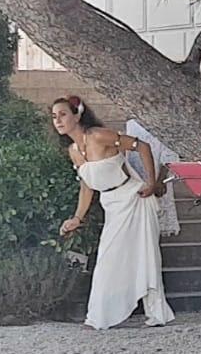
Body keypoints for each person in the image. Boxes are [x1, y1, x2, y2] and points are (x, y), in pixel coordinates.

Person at [53, 96, 174, 330]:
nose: (58, 120)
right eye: (54, 116)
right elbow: (87, 186)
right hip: (111, 204)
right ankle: (100, 316)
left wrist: (151, 182)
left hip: (134, 199)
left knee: (145, 256)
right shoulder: (73, 151)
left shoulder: (98, 135)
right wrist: (77, 218)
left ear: (77, 115)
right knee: (108, 259)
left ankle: (156, 314)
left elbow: (142, 146)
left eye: (63, 114)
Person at [125, 119, 180, 236]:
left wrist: (160, 180)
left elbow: (170, 154)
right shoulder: (132, 123)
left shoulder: (164, 122)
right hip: (136, 179)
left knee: (156, 220)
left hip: (158, 176)